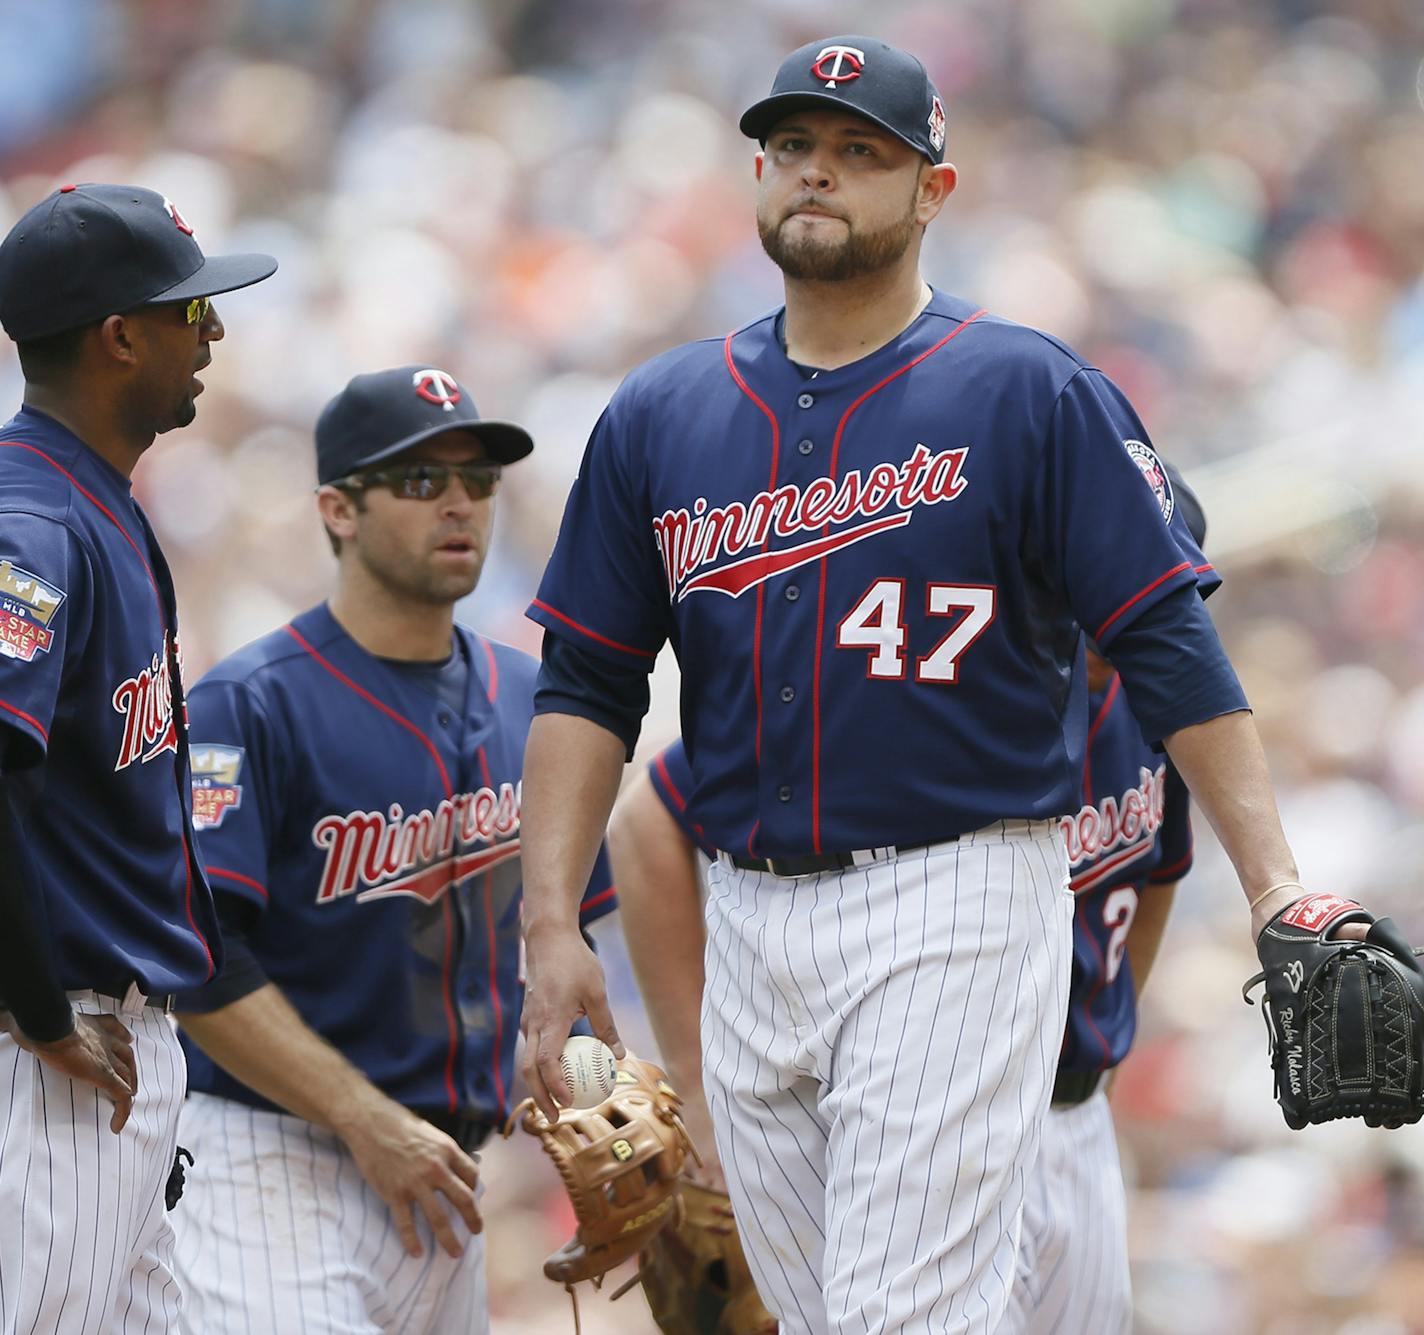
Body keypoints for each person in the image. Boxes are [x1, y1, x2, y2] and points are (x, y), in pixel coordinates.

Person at [516, 32, 1384, 1334]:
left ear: (934, 189)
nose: (821, 171)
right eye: (796, 145)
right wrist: (545, 926)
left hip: (958, 892)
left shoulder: (1027, 389)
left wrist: (1277, 881)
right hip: (748, 914)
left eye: (863, 151)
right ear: (757, 171)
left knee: (902, 1315)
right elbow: (587, 679)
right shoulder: (662, 412)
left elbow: (1166, 638)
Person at [611, 468, 1212, 1335]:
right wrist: (698, 1087)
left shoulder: (1163, 710)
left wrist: (1106, 1051)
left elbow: (1157, 878)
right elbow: (647, 823)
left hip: (1073, 1124)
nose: (1145, 600)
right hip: (926, 1113)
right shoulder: (942, 679)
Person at [169, 366, 617, 1335]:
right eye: (419, 482)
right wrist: (365, 1119)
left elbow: (562, 942)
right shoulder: (248, 705)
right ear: (338, 509)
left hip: (447, 1184)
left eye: (478, 480)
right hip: (273, 1165)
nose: (458, 504)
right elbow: (195, 964)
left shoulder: (530, 702)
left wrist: (594, 1090)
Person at [0, 182, 275, 1334]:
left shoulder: (88, 500)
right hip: (55, 1047)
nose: (209, 334)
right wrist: (36, 1009)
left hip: (105, 1047)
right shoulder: (34, 523)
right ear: (119, 337)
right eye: (189, 312)